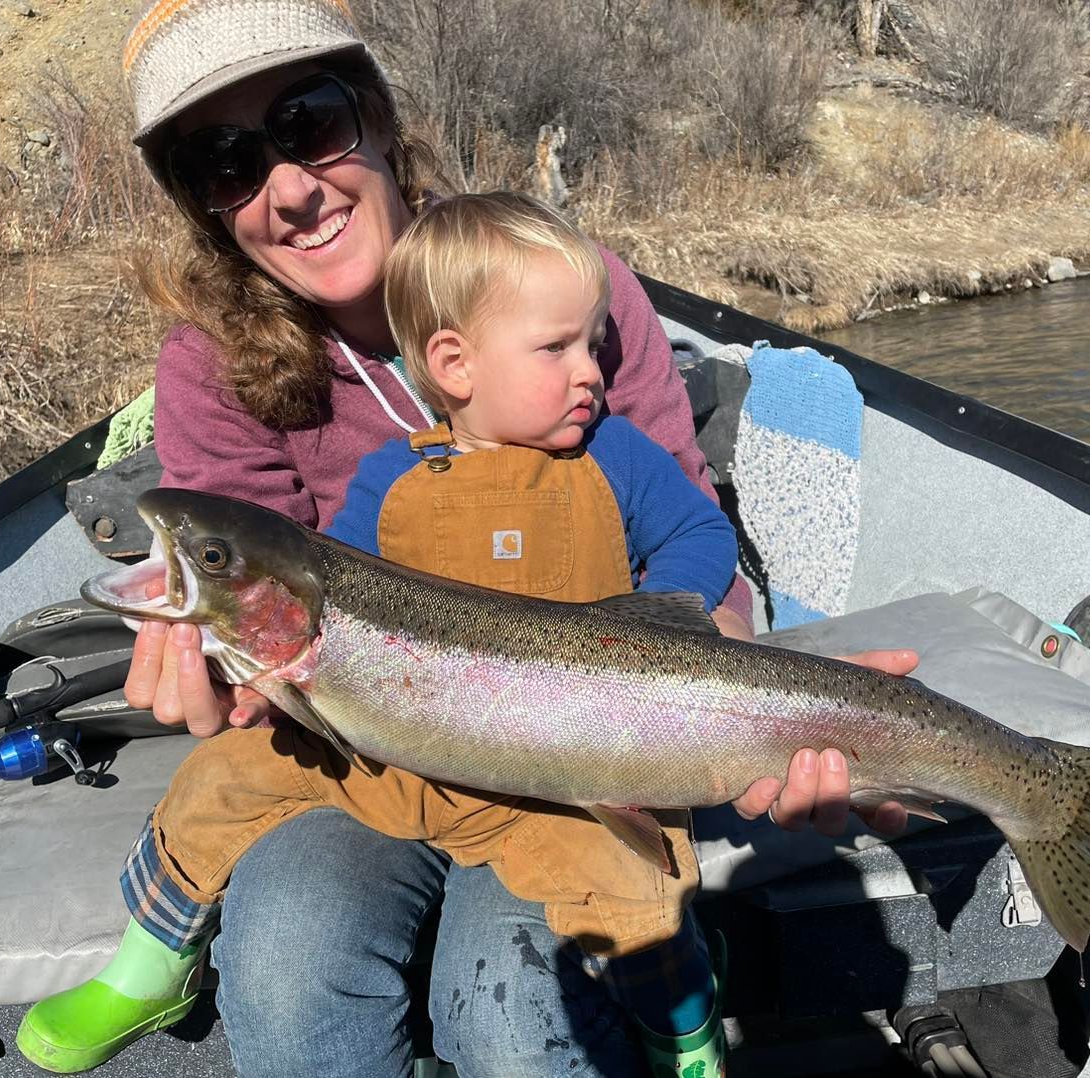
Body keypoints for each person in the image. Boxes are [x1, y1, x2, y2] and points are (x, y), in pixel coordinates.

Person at [67, 3, 916, 1074]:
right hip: (354, 764)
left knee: (515, 1016)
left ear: (375, 116)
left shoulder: (564, 290)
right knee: (287, 968)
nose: (286, 186)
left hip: (590, 749)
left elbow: (692, 551)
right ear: (202, 203)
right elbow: (260, 615)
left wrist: (748, 721)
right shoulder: (209, 368)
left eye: (309, 120)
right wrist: (211, 671)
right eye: (224, 161)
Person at [21, 190, 742, 1075]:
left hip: (570, 764)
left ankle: (687, 1032)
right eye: (558, 349)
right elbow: (329, 584)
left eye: (591, 344)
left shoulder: (617, 454)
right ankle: (152, 956)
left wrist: (673, 634)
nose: (591, 369)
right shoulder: (388, 481)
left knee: (630, 890)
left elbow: (702, 537)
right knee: (220, 779)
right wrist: (234, 666)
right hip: (386, 766)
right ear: (453, 362)